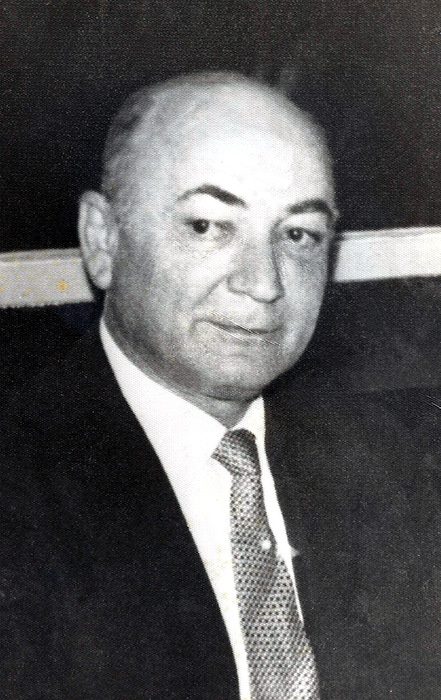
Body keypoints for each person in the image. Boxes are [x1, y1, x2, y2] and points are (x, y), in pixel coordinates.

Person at [1, 72, 439, 699]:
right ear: (103, 239)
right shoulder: (21, 495)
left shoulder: (401, 466)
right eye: (208, 225)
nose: (264, 283)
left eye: (299, 235)